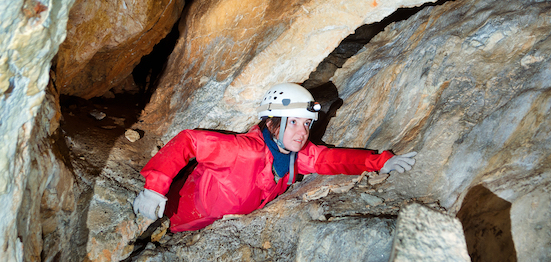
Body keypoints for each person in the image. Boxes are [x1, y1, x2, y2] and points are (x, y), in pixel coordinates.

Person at [133, 83, 417, 232]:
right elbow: (189, 141)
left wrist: (380, 163)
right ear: (272, 124)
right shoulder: (241, 150)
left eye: (306, 124)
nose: (302, 131)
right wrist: (154, 189)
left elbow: (331, 159)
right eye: (293, 122)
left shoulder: (295, 156)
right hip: (176, 216)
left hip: (211, 224)